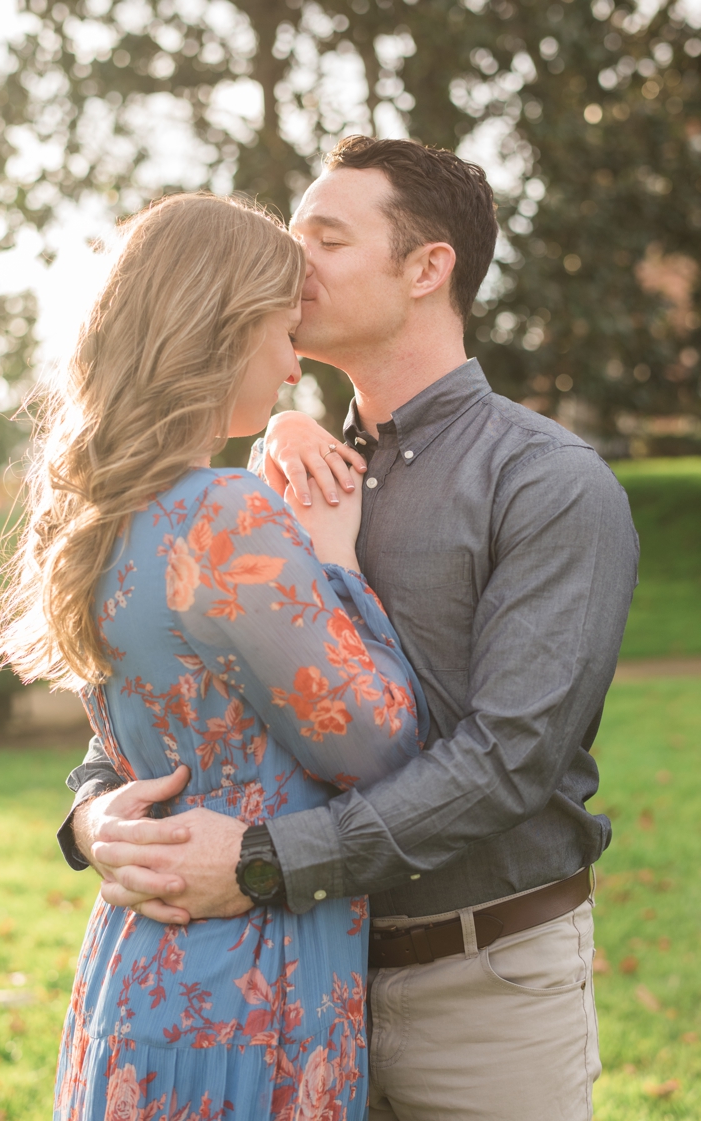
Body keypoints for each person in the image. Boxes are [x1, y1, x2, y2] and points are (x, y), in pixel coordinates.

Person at [62, 137, 639, 1120]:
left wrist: (264, 860)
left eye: (326, 237)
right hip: (289, 978)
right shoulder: (263, 483)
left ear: (427, 268)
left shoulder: (544, 482)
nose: (296, 263)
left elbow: (511, 758)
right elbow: (171, 701)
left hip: (480, 980)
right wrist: (91, 813)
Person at [0, 192, 430, 1120]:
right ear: (222, 331)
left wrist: (86, 817)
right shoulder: (222, 516)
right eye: (279, 331)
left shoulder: (96, 517)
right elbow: (380, 744)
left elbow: (128, 745)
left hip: (137, 965)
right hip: (248, 981)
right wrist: (340, 560)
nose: (290, 362)